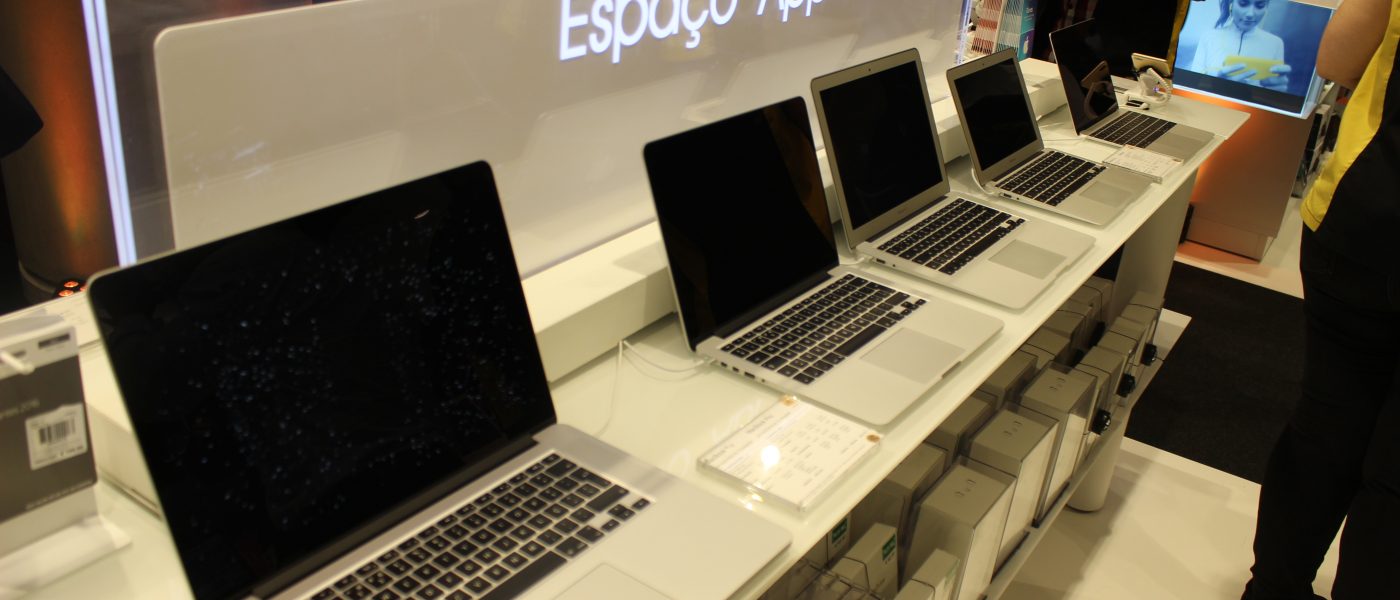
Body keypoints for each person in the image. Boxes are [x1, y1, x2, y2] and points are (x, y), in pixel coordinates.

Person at [1242, 0, 1398, 598]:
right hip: (1361, 225)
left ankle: (1271, 590)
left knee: (1326, 431)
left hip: (1361, 219)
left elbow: (1338, 60)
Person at [1189, 0, 1292, 91]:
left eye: (1259, 5)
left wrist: (1276, 94)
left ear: (1266, 7)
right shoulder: (1209, 37)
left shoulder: (1275, 43)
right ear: (1231, 3)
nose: (1250, 14)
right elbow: (1191, 82)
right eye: (1243, 3)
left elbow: (1273, 89)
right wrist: (1216, 84)